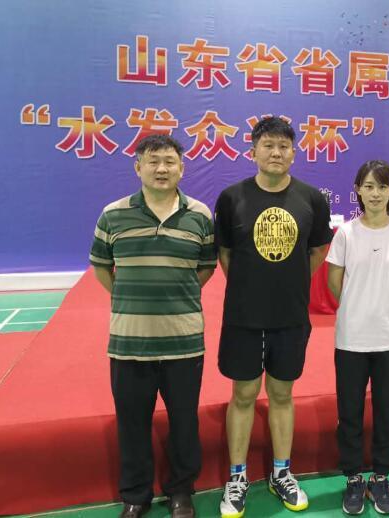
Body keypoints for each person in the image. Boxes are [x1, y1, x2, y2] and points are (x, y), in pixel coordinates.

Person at [89, 134, 217, 518]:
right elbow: (102, 267)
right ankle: (135, 495)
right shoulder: (113, 214)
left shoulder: (200, 215)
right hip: (130, 342)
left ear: (182, 168)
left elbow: (205, 267)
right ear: (138, 167)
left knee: (184, 423)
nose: (162, 169)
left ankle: (181, 493)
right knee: (132, 424)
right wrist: (130, 298)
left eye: (169, 161)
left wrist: (175, 294)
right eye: (153, 161)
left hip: (184, 342)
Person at [215, 116, 333, 517]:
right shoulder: (231, 198)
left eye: (284, 146)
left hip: (290, 316)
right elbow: (226, 254)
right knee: (243, 395)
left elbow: (317, 251)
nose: (276, 152)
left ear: (294, 153)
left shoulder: (312, 199)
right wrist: (251, 287)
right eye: (268, 145)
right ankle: (237, 477)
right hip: (243, 317)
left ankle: (281, 472)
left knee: (282, 395)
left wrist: (287, 284)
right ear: (253, 152)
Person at [326, 160, 389, 515]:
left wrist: (388, 304)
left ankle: (380, 476)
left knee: (385, 412)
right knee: (349, 412)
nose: (376, 193)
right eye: (368, 186)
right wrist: (358, 306)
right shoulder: (346, 234)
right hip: (351, 338)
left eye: (382, 186)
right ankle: (353, 478)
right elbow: (335, 281)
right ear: (358, 191)